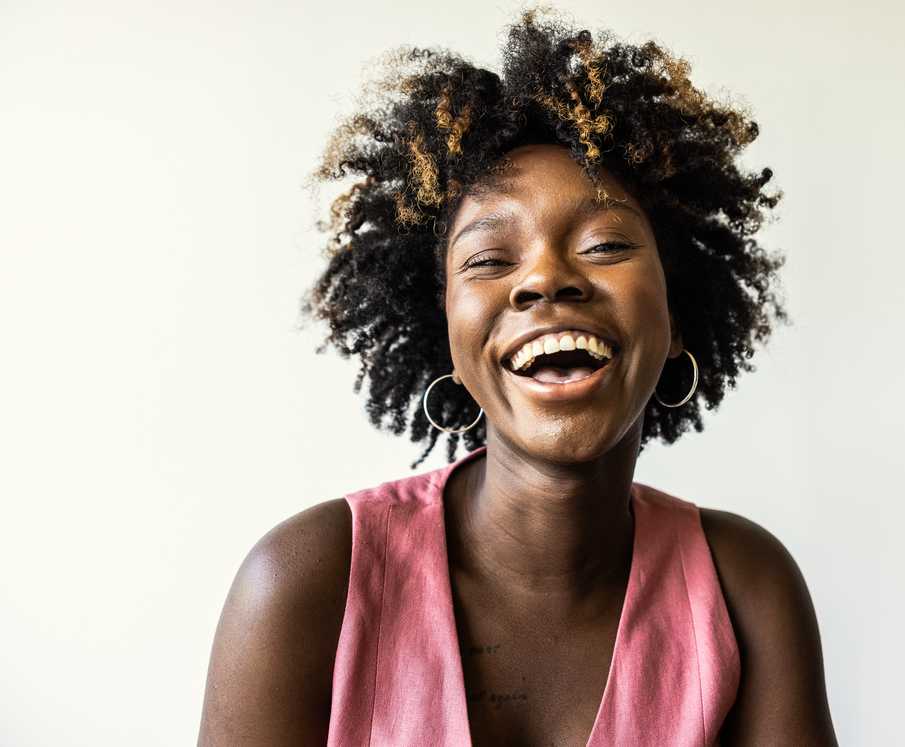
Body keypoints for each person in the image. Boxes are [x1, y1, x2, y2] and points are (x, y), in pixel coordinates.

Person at [198, 8, 837, 746]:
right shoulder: (305, 586)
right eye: (490, 259)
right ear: (446, 332)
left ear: (678, 314)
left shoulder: (746, 591)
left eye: (603, 243)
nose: (545, 280)